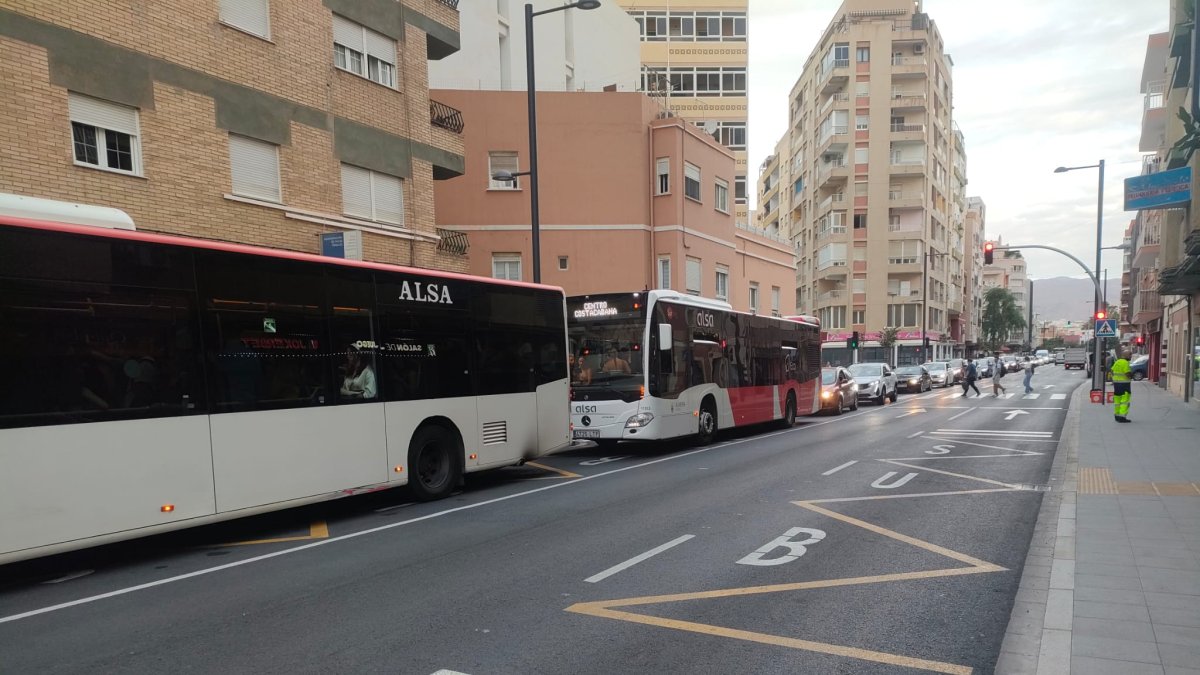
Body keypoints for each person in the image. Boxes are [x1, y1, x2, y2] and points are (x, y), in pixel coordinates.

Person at [1110, 349, 1132, 423]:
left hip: (1116, 385)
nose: (1131, 356)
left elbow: (1112, 370)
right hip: (1124, 385)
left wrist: (1114, 378)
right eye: (1130, 355)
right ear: (1127, 356)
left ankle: (1117, 416)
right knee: (1124, 401)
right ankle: (1122, 417)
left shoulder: (1117, 361)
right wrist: (1130, 376)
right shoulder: (1125, 363)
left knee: (1117, 401)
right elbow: (1127, 373)